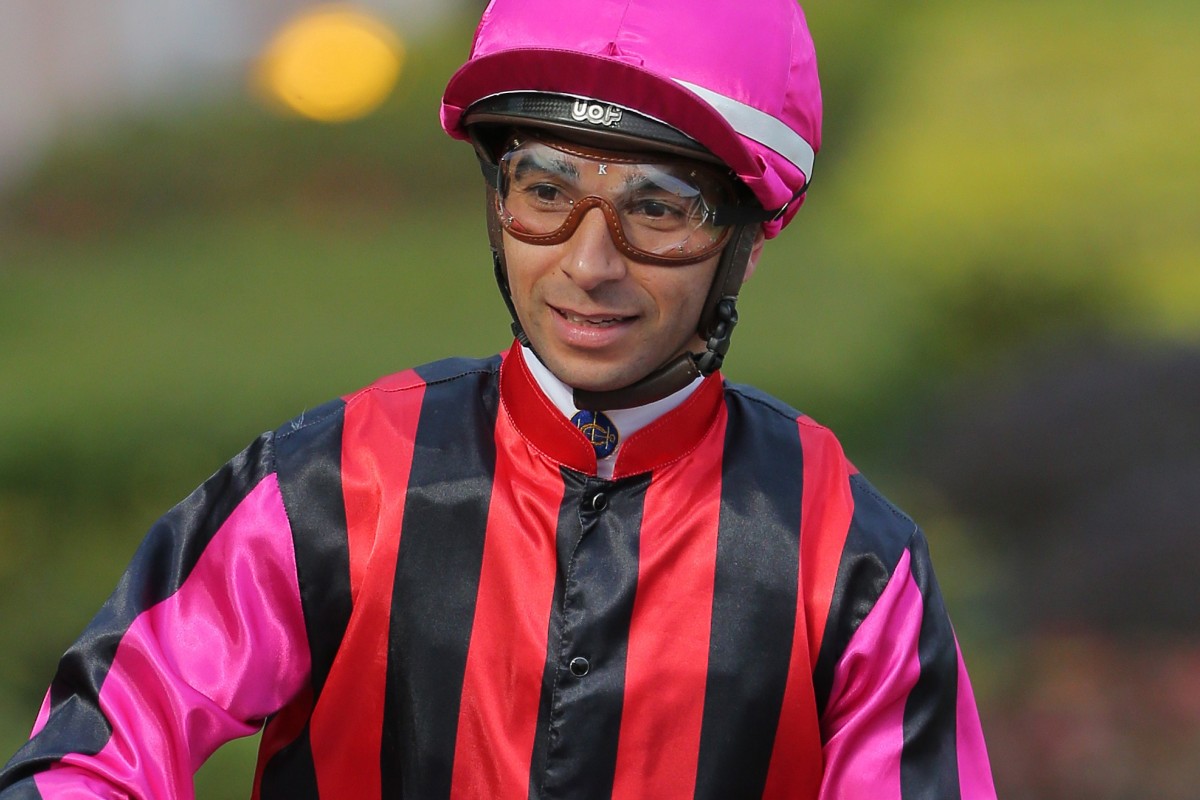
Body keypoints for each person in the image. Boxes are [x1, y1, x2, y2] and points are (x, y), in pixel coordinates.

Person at [0, 0, 995, 797]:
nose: (591, 262)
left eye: (657, 207)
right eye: (547, 191)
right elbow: (93, 751)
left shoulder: (851, 555)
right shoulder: (335, 481)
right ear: (496, 197)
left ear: (745, 231)